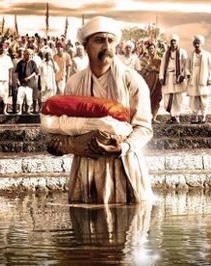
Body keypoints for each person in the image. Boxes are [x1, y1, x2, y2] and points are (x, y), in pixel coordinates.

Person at [47, 16, 154, 204]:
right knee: (86, 228)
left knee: (126, 228)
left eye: (110, 40)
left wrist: (124, 147)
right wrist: (60, 146)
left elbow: (144, 128)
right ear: (86, 46)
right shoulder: (74, 83)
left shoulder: (132, 81)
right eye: (99, 40)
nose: (106, 46)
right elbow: (66, 126)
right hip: (86, 168)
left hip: (124, 163)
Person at [186, 35, 211, 124]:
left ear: (201, 43)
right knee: (194, 98)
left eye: (198, 43)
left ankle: (203, 116)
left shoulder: (207, 54)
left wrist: (210, 78)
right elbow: (187, 67)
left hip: (204, 78)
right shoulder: (191, 55)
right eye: (195, 43)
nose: (197, 45)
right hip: (193, 78)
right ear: (193, 44)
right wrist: (188, 74)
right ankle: (195, 116)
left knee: (203, 98)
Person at [159, 34, 187, 124]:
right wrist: (161, 77)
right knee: (167, 97)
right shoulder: (166, 53)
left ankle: (176, 116)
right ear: (170, 43)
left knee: (178, 97)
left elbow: (186, 65)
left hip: (177, 77)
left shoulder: (182, 52)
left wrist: (183, 75)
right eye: (172, 41)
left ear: (177, 42)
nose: (173, 43)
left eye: (175, 41)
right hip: (168, 77)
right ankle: (172, 116)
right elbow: (162, 65)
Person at [141, 42, 162, 123]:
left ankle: (154, 118)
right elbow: (141, 70)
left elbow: (161, 70)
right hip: (147, 81)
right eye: (149, 49)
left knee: (156, 98)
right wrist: (146, 68)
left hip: (156, 81)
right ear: (147, 50)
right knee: (146, 98)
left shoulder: (159, 59)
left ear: (155, 49)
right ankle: (146, 117)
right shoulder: (144, 59)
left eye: (152, 48)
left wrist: (154, 69)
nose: (151, 50)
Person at [15, 49, 38, 114]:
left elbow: (35, 72)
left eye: (30, 54)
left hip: (29, 82)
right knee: (20, 96)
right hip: (21, 82)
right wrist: (17, 80)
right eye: (28, 54)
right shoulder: (20, 63)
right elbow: (17, 72)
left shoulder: (33, 63)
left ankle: (28, 110)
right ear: (25, 55)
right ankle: (20, 110)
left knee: (29, 96)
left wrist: (29, 77)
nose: (29, 56)